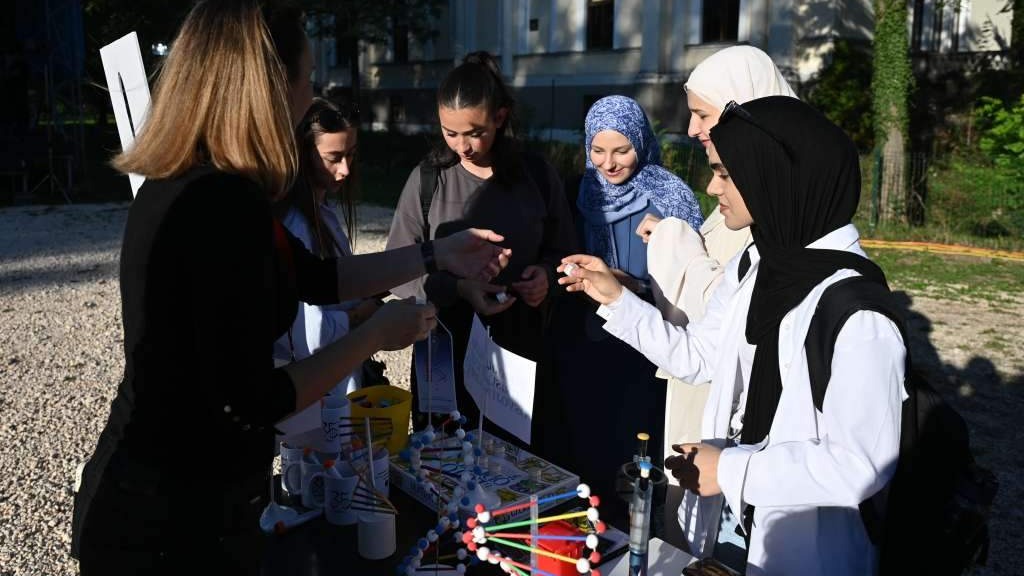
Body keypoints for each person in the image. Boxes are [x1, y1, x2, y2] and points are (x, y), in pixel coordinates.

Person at [70, 2, 508, 573]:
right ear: (269, 88)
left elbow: (319, 278)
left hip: (180, 499)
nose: (308, 99)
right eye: (306, 79)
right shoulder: (216, 206)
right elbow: (252, 400)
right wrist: (373, 335)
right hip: (168, 522)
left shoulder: (211, 185)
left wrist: (436, 251)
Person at [559, 96, 906, 575]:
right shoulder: (758, 262)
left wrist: (729, 469)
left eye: (725, 173)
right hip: (730, 523)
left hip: (802, 550)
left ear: (772, 176)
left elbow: (860, 465)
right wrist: (616, 298)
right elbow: (699, 356)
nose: (710, 186)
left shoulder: (857, 312)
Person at [633, 45, 798, 550]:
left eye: (702, 113)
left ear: (741, 105)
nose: (690, 129)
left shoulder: (780, 206)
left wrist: (672, 240)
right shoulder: (752, 189)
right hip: (698, 380)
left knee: (716, 535)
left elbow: (728, 310)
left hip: (725, 404)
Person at [386, 51, 576, 441]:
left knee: (515, 472)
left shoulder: (537, 176)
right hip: (444, 354)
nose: (462, 146)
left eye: (474, 133)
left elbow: (566, 253)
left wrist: (545, 278)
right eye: (449, 132)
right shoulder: (427, 180)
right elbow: (399, 270)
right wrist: (458, 288)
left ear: (500, 118)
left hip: (520, 354)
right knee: (441, 466)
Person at [547, 95, 703, 527]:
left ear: (641, 142)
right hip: (584, 347)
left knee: (635, 450)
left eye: (621, 150)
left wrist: (629, 286)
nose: (609, 163)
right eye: (598, 150)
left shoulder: (670, 196)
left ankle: (635, 532)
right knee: (585, 445)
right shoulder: (577, 191)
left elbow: (695, 284)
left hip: (645, 351)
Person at [272, 97, 380, 449]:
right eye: (334, 158)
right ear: (305, 155)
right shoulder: (296, 225)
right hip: (316, 395)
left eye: (351, 154)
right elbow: (307, 330)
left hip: (336, 386)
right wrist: (364, 318)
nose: (346, 169)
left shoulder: (323, 212)